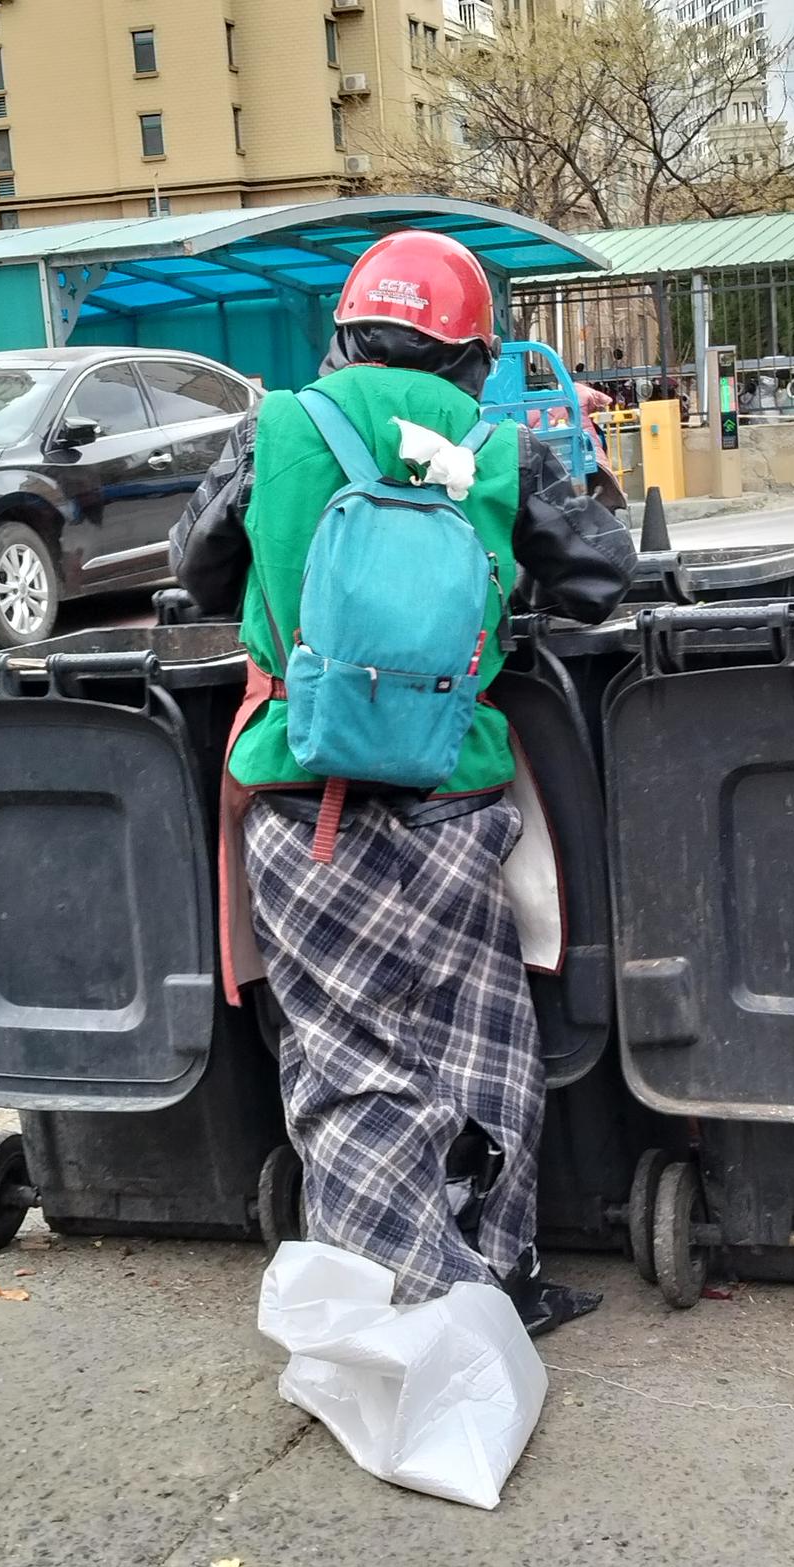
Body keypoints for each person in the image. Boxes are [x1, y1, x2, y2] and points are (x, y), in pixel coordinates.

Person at [170, 230, 635, 1334]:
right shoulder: (498, 444)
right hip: (450, 798)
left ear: (344, 332)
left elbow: (194, 572)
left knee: (345, 1059)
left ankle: (388, 1304)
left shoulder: (275, 427)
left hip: (302, 801)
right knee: (477, 1040)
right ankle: (497, 1283)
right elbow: (600, 577)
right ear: (474, 353)